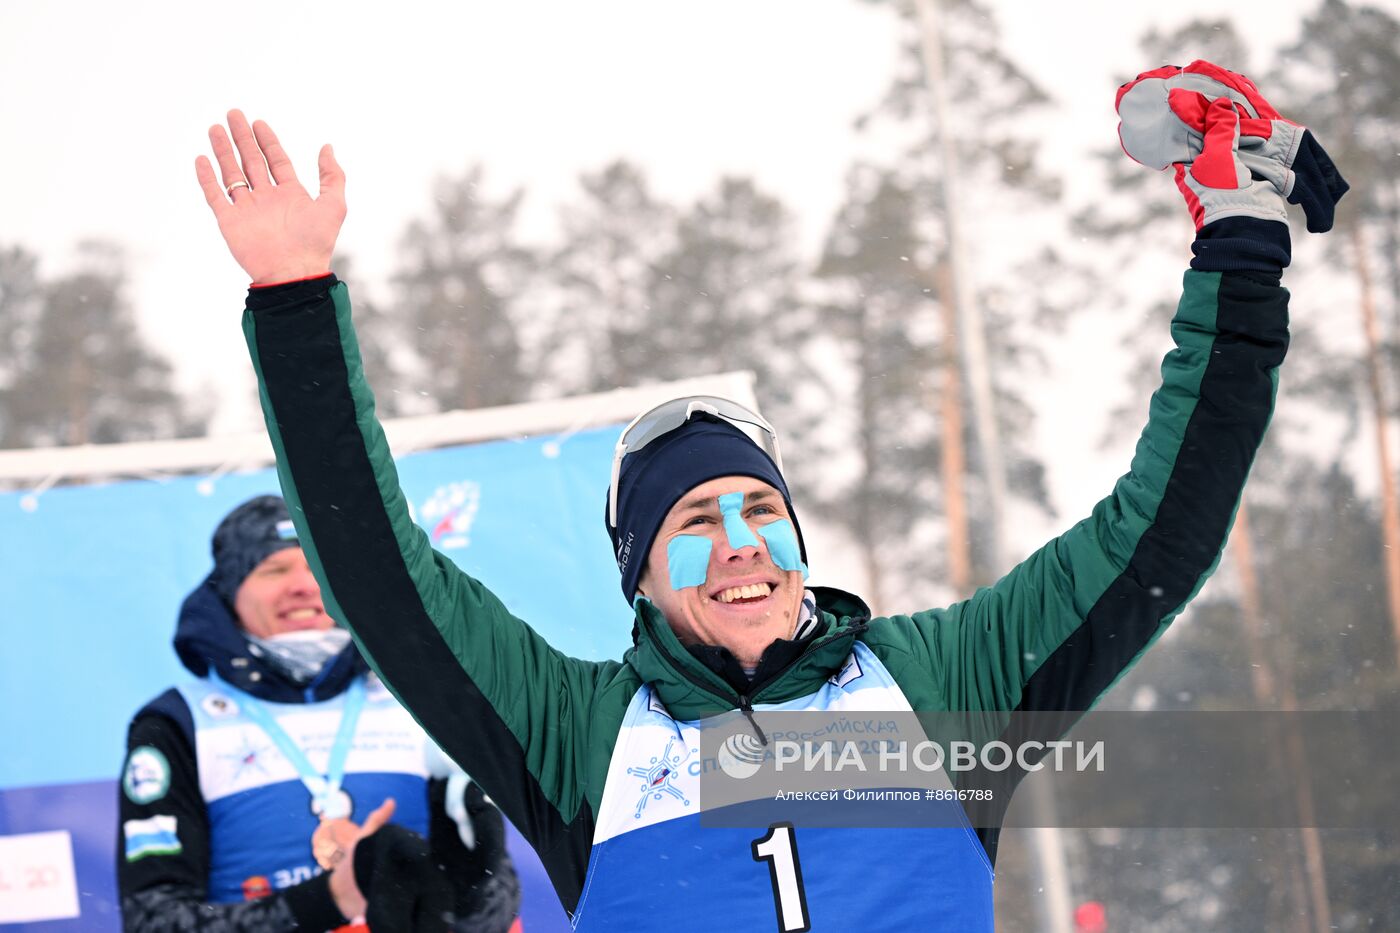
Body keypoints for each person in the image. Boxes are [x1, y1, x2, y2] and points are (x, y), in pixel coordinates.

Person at [192, 61, 1346, 930]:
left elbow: (1160, 525)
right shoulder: (578, 733)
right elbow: (383, 576)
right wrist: (294, 296)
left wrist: (1236, 253)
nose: (739, 544)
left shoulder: (940, 682)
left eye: (757, 512)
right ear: (637, 575)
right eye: (693, 524)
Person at [117, 496, 521, 932]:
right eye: (275, 569)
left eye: (317, 567)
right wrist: (330, 899)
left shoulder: (420, 699)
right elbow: (153, 920)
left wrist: (467, 890)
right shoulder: (177, 724)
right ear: (230, 592)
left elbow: (497, 911)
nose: (303, 585)